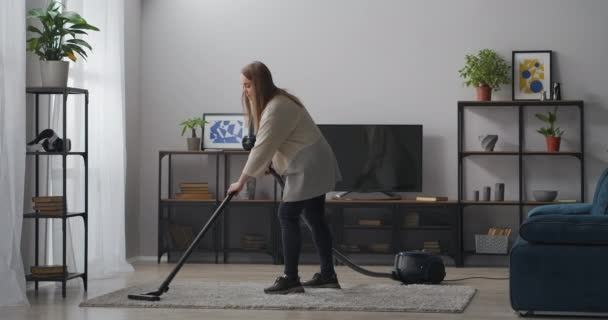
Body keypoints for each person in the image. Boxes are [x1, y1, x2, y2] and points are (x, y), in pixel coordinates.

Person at [227, 61, 341, 295]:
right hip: (314, 161)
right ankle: (328, 275)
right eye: (243, 86)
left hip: (308, 164)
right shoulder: (277, 102)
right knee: (314, 217)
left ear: (260, 84)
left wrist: (241, 181)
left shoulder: (277, 106)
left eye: (248, 86)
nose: (244, 91)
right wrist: (270, 163)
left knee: (287, 214)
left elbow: (262, 146)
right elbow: (278, 141)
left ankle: (291, 278)